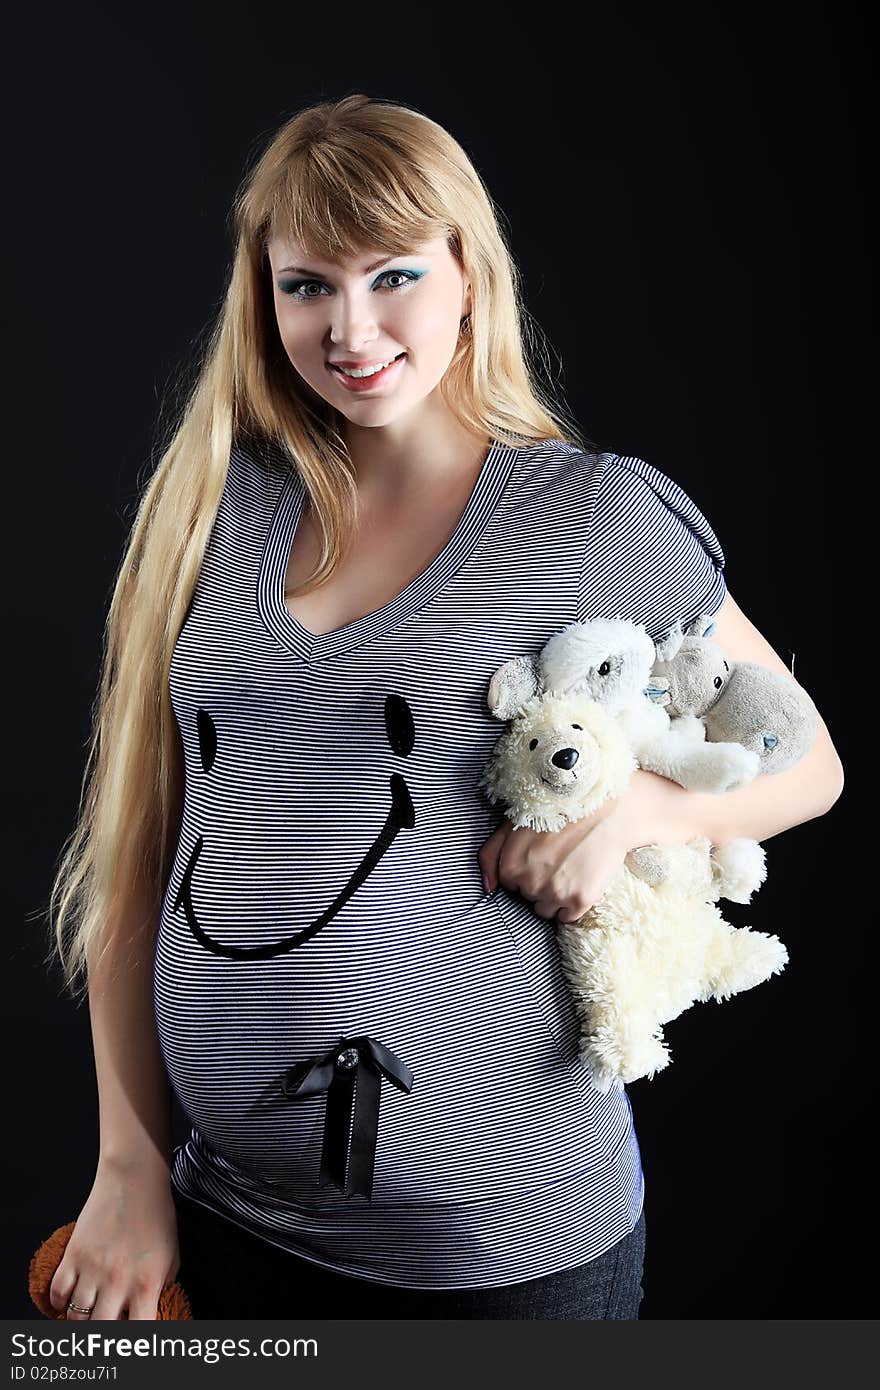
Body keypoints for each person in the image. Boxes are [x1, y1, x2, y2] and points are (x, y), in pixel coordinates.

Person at [44, 93, 844, 1322]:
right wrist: (127, 1168)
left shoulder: (591, 514)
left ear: (469, 274)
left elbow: (806, 756)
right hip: (214, 1223)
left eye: (393, 276)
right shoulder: (211, 507)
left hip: (503, 1261)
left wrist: (637, 810)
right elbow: (137, 857)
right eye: (307, 285)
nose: (350, 329)